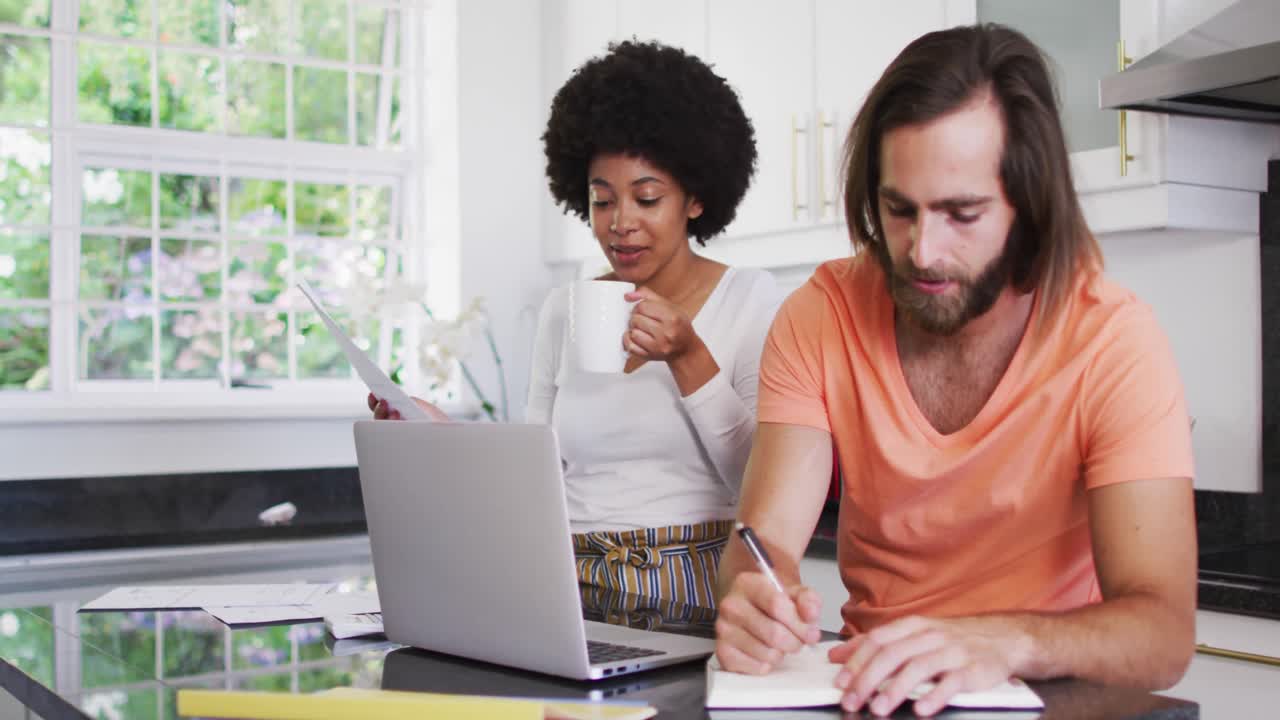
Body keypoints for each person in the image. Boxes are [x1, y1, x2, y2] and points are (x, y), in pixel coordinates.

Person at [712, 24, 1196, 716]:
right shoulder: (819, 317)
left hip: (1044, 699)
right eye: (897, 210)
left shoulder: (1115, 342)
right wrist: (754, 599)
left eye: (961, 213)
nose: (922, 251)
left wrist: (1002, 642)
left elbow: (1163, 634)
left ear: (1028, 204)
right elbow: (762, 547)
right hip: (871, 697)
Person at [371, 40, 779, 609]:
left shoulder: (749, 297)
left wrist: (688, 356)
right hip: (565, 579)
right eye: (603, 201)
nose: (621, 225)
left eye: (647, 198)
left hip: (687, 584)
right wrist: (437, 432)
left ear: (695, 198)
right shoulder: (566, 308)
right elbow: (536, 473)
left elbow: (759, 481)